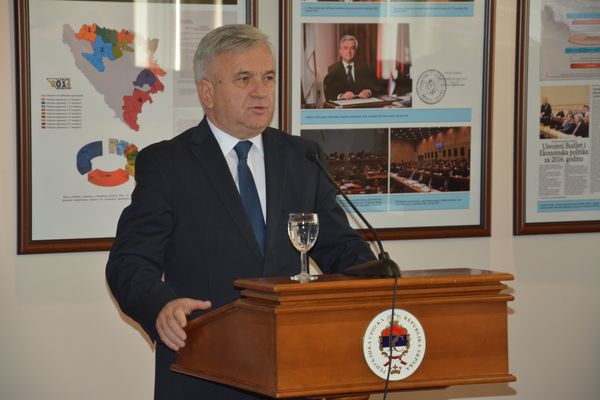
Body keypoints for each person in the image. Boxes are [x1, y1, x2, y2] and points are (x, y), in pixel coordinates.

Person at [106, 24, 375, 400]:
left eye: (268, 77)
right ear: (207, 92)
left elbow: (339, 247)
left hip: (293, 370)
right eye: (244, 78)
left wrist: (381, 280)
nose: (261, 91)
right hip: (203, 369)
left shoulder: (303, 157)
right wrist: (161, 306)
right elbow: (130, 262)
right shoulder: (167, 164)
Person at [323, 34, 379, 101]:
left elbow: (377, 87)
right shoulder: (333, 69)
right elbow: (329, 92)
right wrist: (341, 96)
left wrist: (368, 92)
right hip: (343, 105)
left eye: (352, 48)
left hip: (362, 105)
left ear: (356, 51)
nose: (349, 51)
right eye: (346, 48)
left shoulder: (365, 68)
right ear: (340, 51)